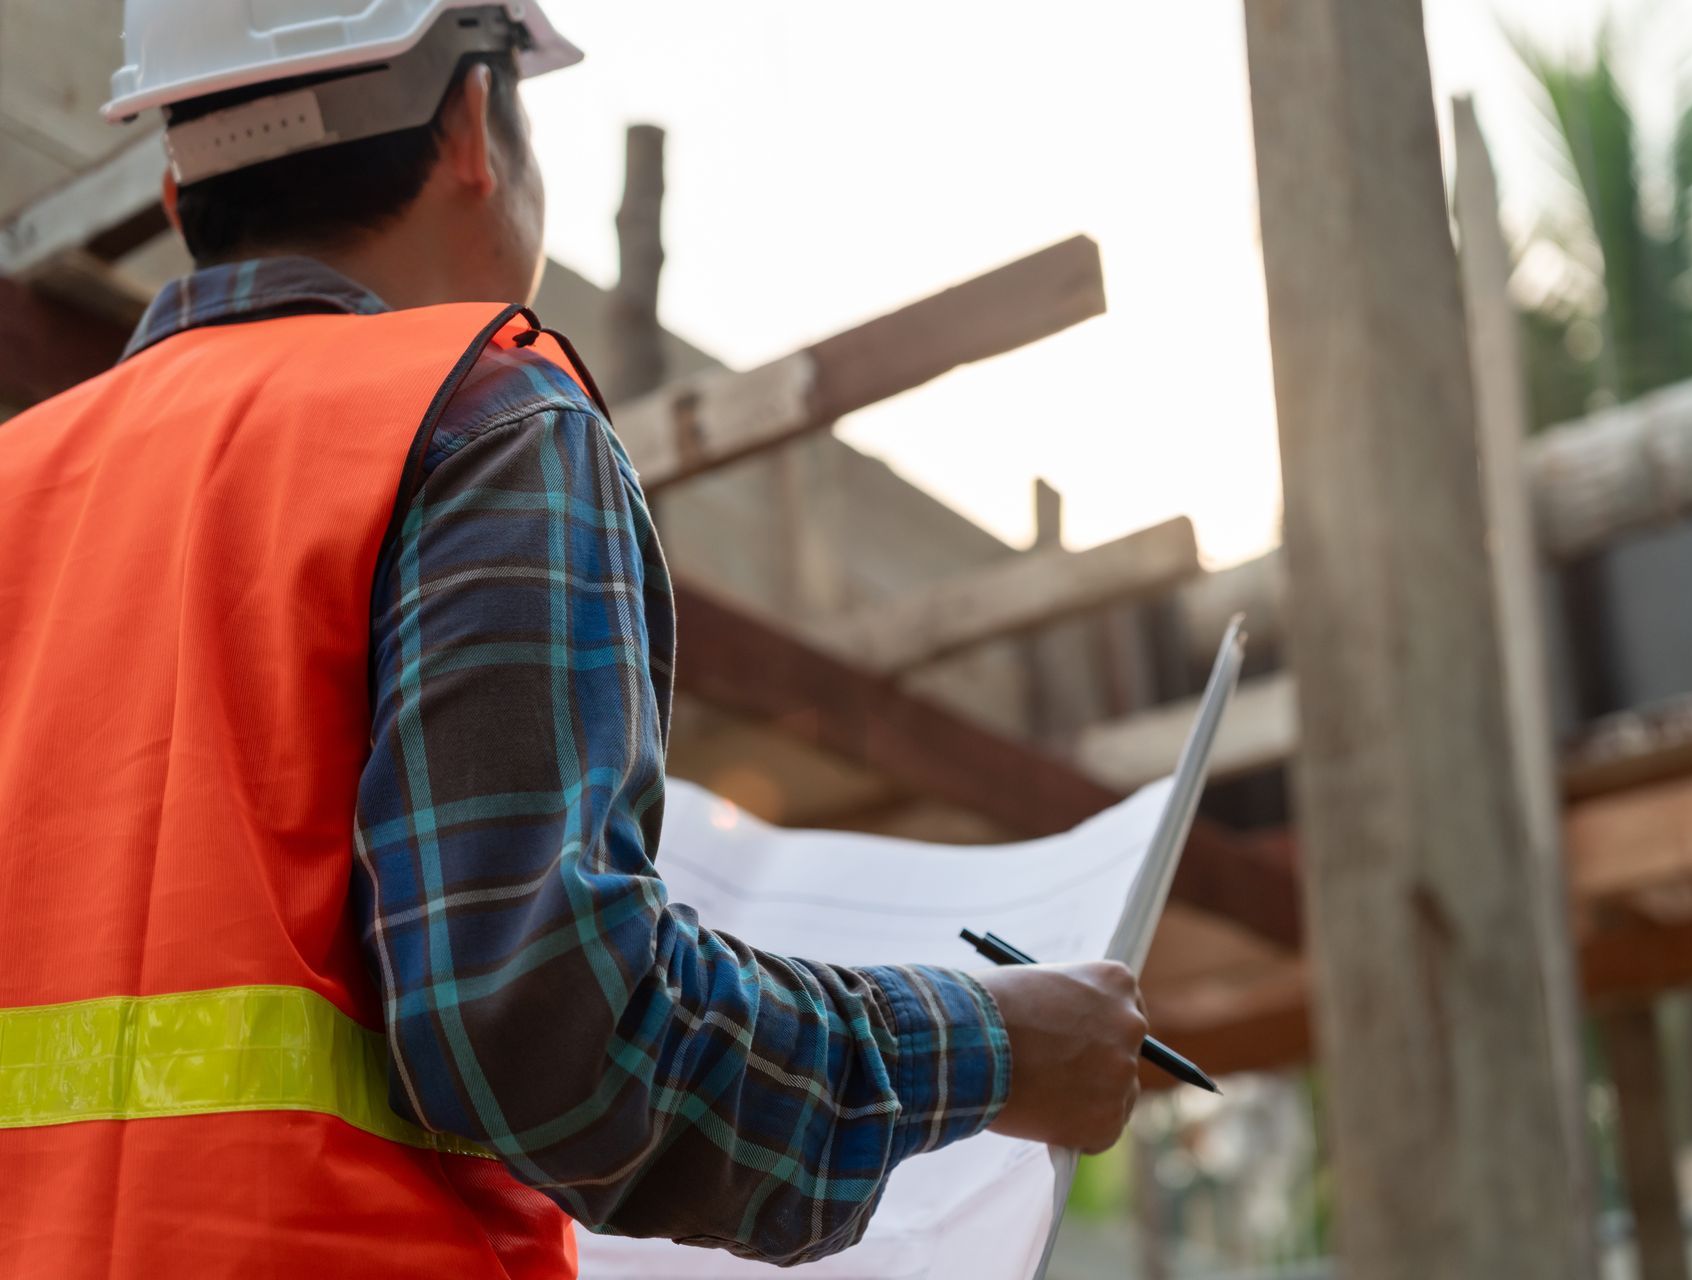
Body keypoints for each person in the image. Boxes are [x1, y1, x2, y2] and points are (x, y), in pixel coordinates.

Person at [0, 3, 1148, 1276]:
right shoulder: (481, 418)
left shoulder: (17, 486)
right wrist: (989, 1046)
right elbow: (560, 1033)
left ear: (174, 186)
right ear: (479, 125)